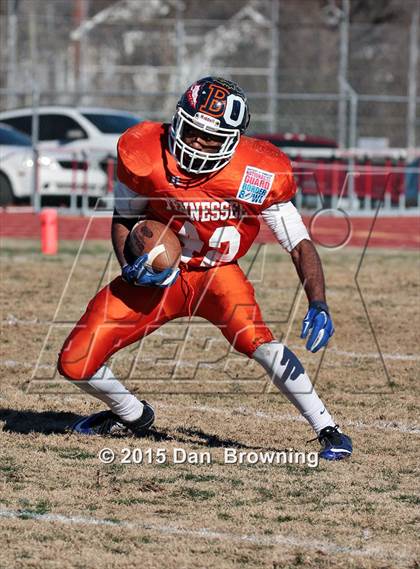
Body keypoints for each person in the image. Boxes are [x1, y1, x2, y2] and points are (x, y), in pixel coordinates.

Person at [58, 77, 352, 460]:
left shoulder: (256, 171)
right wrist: (131, 266)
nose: (196, 143)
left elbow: (298, 242)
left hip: (218, 275)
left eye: (209, 138)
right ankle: (132, 414)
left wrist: (318, 301)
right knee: (74, 362)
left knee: (262, 346)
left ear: (231, 139)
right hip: (162, 278)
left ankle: (328, 428)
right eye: (192, 131)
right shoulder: (146, 153)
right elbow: (124, 219)